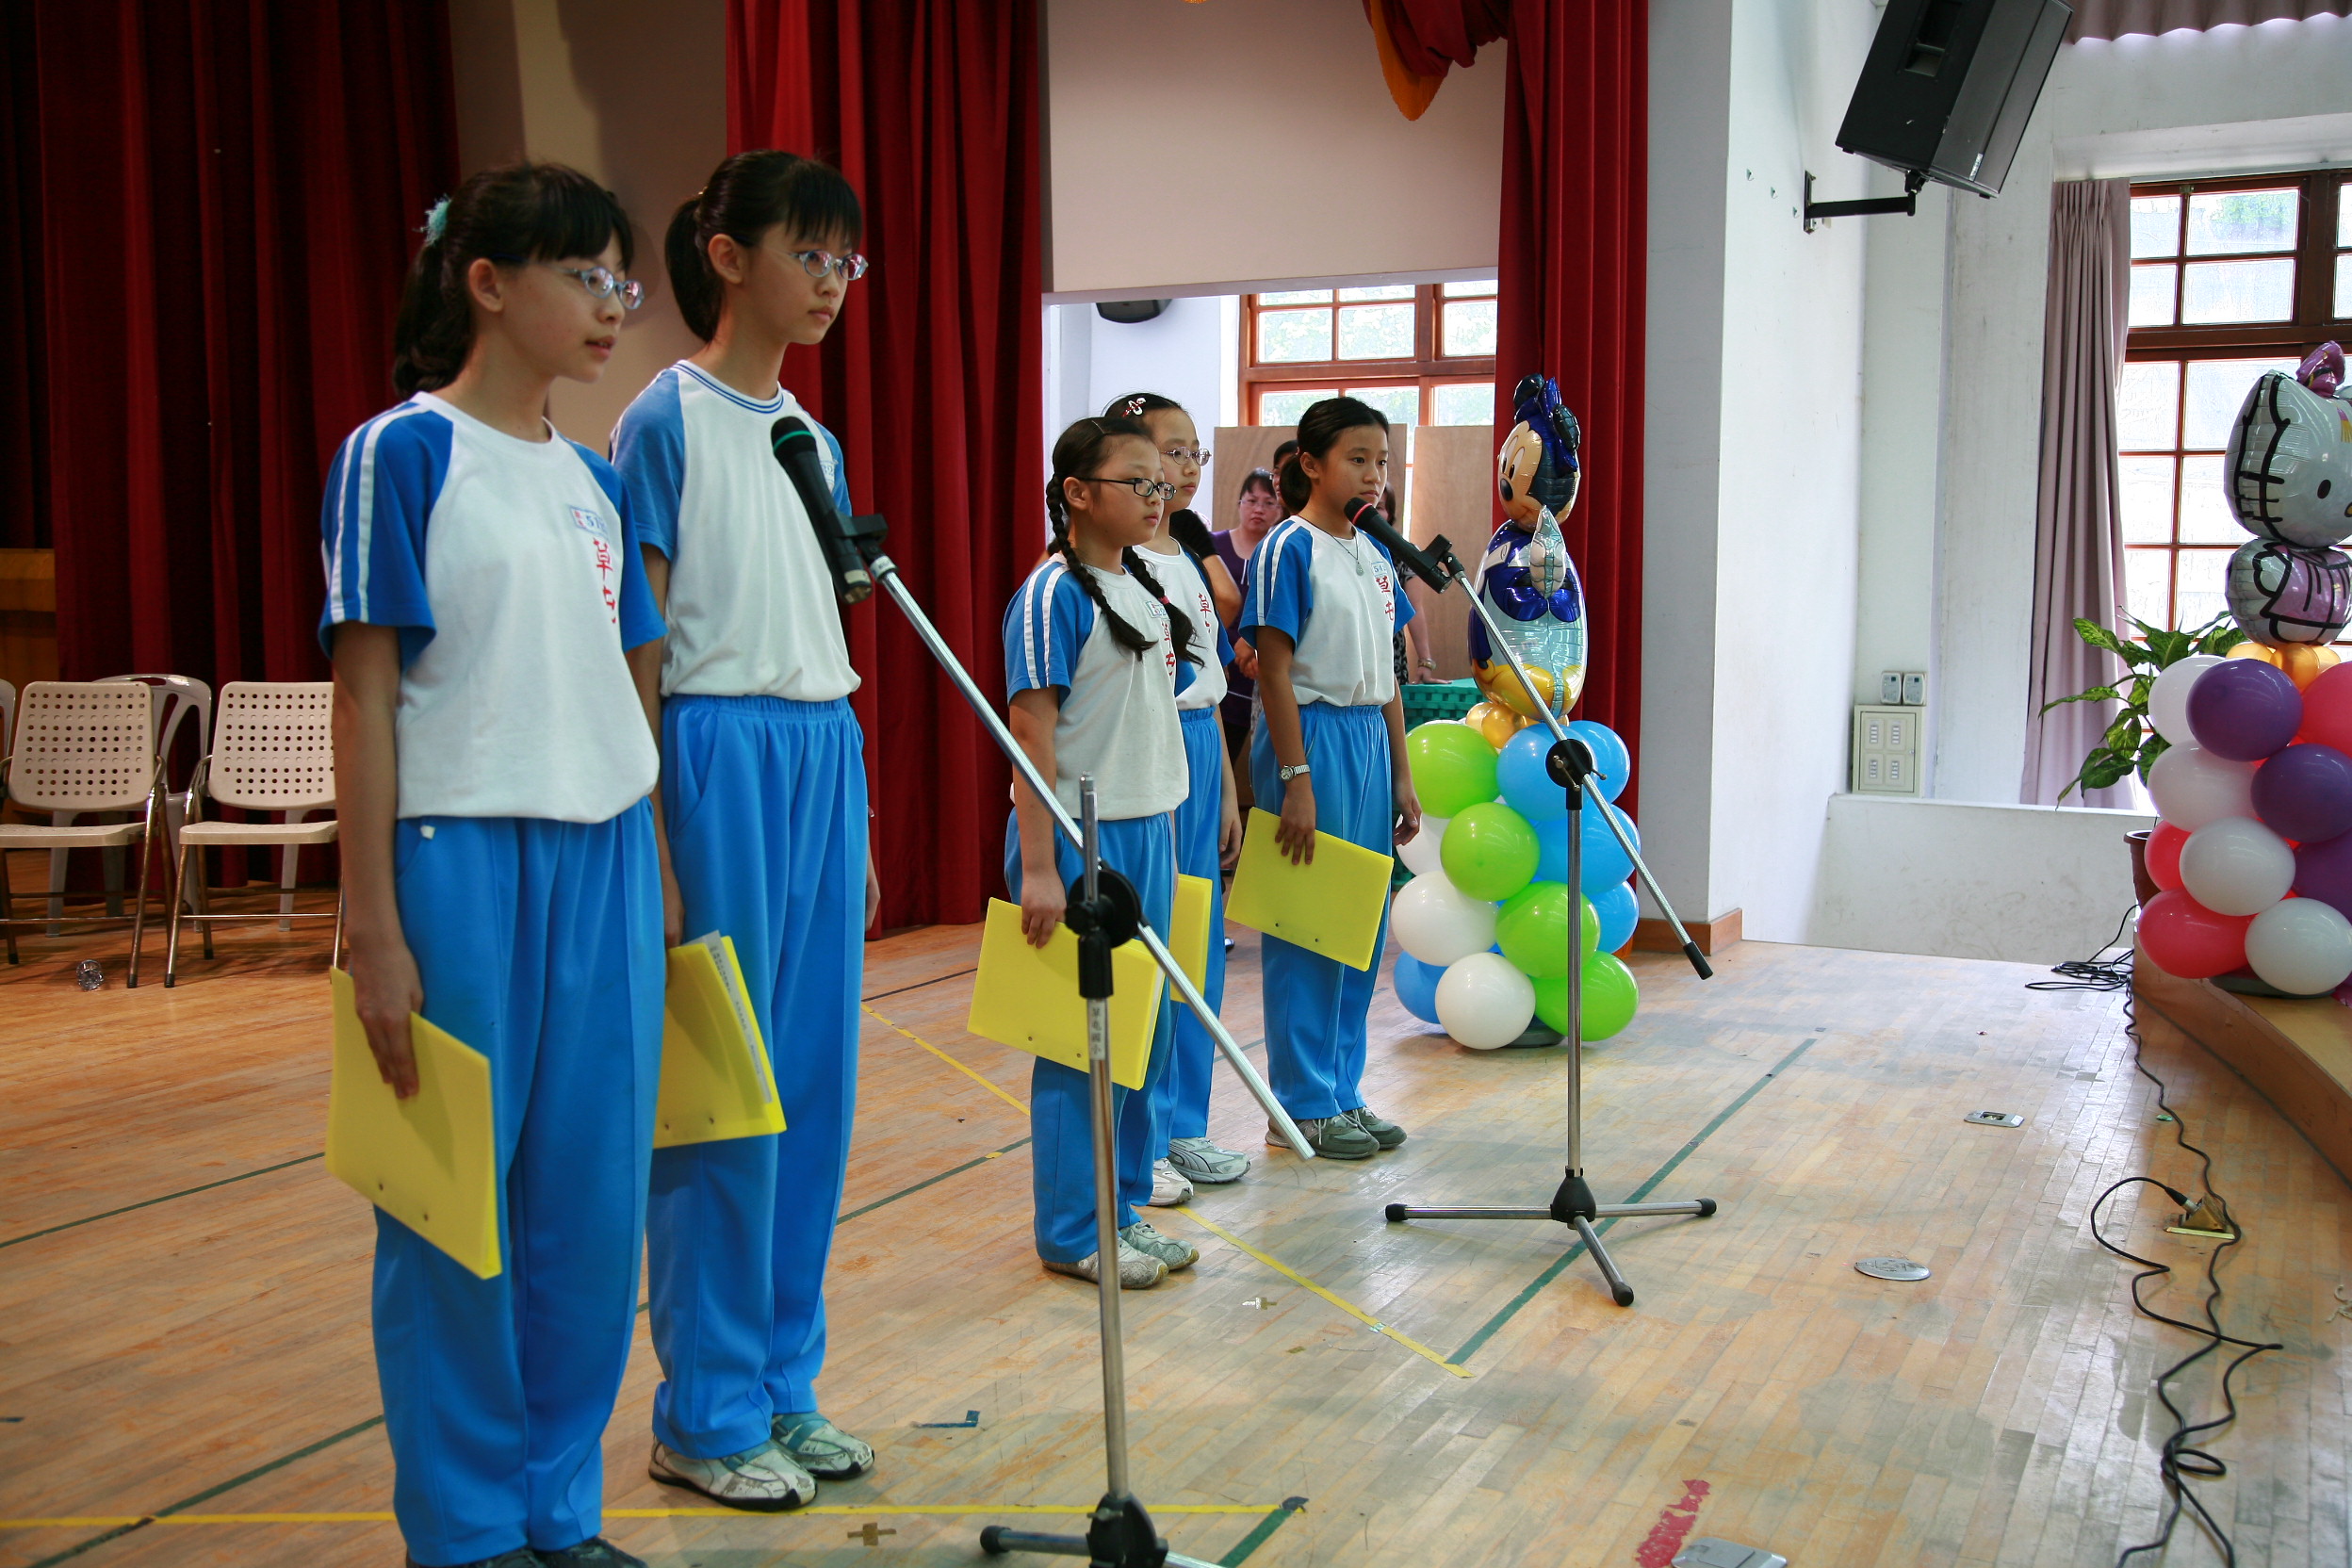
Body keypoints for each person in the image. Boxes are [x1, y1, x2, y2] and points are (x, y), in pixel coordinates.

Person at [325, 162, 663, 1568]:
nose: (613, 306)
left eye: (621, 281)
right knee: (453, 1209)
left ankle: (557, 1512)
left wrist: (657, 862)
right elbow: (363, 695)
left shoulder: (594, 479)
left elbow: (630, 677)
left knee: (590, 1211)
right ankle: (466, 1532)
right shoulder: (400, 453)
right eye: (586, 277)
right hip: (457, 859)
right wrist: (373, 924)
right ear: (485, 282)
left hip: (608, 861)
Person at [611, 149, 878, 1513]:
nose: (831, 283)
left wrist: (858, 821)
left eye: (846, 261)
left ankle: (783, 1379)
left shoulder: (808, 439)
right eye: (808, 254)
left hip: (820, 749)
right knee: (725, 1094)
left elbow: (821, 618)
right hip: (714, 749)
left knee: (814, 1089)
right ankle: (705, 1408)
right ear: (728, 258)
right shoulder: (664, 417)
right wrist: (659, 834)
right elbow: (642, 643)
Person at [1004, 415, 1201, 1287]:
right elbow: (1030, 737)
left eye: (1163, 483)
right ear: (1079, 494)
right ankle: (1072, 1229)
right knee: (1080, 1042)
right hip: (1083, 838)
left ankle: (1122, 1206)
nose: (1159, 497)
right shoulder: (1052, 594)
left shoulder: (1143, 586)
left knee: (1142, 1037)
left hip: (1150, 826)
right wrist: (1040, 867)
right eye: (1139, 482)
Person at [1240, 397, 1423, 1161]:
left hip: (1368, 740)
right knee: (1307, 925)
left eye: (1381, 461)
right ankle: (1301, 1104)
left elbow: (1389, 673)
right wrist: (1296, 779)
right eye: (1357, 459)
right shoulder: (1288, 547)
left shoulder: (1374, 552)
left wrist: (1403, 773)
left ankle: (1343, 1091)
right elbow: (1274, 672)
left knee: (1358, 926)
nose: (1374, 474)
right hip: (1310, 735)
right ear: (1312, 465)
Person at [1102, 393, 1250, 1197]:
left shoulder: (1188, 556)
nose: (1187, 468)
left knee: (1196, 949)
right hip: (1149, 757)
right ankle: (1144, 1138)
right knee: (1151, 952)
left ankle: (1185, 1124)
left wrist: (1225, 787)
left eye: (1196, 452)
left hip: (1199, 752)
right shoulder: (1113, 566)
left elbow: (1211, 686)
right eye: (1172, 452)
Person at [1214, 466, 1282, 780]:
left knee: (1236, 770)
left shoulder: (1280, 553)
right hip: (1217, 663)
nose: (1259, 509)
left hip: (1256, 673)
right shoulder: (1213, 547)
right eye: (1252, 501)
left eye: (1269, 503)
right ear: (1239, 503)